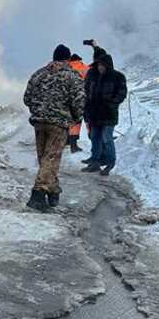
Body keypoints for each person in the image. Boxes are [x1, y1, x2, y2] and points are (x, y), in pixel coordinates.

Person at [23, 44, 85, 210]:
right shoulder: (72, 76)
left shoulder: (39, 74)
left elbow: (27, 98)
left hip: (39, 122)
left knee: (45, 158)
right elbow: (79, 101)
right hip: (59, 123)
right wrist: (76, 118)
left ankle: (53, 191)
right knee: (51, 158)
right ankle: (37, 194)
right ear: (68, 59)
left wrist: (38, 110)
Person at [82, 53, 127, 176]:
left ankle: (110, 163)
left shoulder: (118, 77)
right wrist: (87, 109)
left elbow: (122, 94)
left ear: (108, 65)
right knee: (94, 137)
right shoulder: (94, 77)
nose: (99, 67)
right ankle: (95, 162)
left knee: (107, 138)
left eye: (102, 65)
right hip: (95, 114)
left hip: (108, 114)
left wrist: (111, 104)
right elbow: (88, 94)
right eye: (98, 65)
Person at [81, 40, 109, 166]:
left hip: (99, 109)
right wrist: (94, 45)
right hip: (91, 108)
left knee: (99, 135)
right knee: (93, 134)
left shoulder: (102, 73)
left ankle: (100, 158)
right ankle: (95, 156)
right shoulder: (92, 71)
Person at [67, 53, 89, 153]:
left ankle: (72, 144)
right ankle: (96, 142)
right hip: (83, 98)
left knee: (73, 122)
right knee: (89, 120)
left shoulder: (67, 67)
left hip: (69, 99)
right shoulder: (84, 67)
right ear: (79, 59)